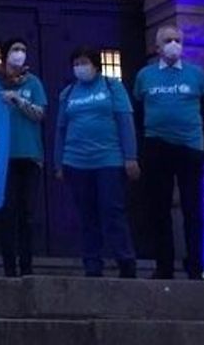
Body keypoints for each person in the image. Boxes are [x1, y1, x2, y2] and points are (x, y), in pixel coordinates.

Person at [134, 24, 204, 280]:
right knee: (159, 209)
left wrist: (198, 131)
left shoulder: (196, 75)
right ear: (157, 47)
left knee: (193, 209)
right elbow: (138, 110)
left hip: (189, 148)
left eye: (177, 40)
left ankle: (195, 265)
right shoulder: (145, 76)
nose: (173, 44)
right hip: (156, 147)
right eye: (168, 40)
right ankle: (164, 266)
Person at [55, 46, 140, 278]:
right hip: (76, 162)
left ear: (95, 65)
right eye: (76, 64)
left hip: (109, 161)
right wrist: (58, 163)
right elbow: (61, 129)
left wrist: (130, 156)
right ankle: (92, 265)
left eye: (84, 63)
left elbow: (125, 121)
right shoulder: (68, 93)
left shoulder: (112, 87)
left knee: (113, 211)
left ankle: (125, 261)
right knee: (86, 216)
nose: (80, 68)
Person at [0, 38, 47, 277]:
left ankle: (27, 266)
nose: (20, 54)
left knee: (27, 215)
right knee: (7, 213)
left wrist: (18, 99)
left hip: (29, 156)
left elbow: (40, 114)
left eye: (23, 49)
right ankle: (9, 268)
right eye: (16, 49)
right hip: (2, 157)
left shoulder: (33, 82)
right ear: (5, 54)